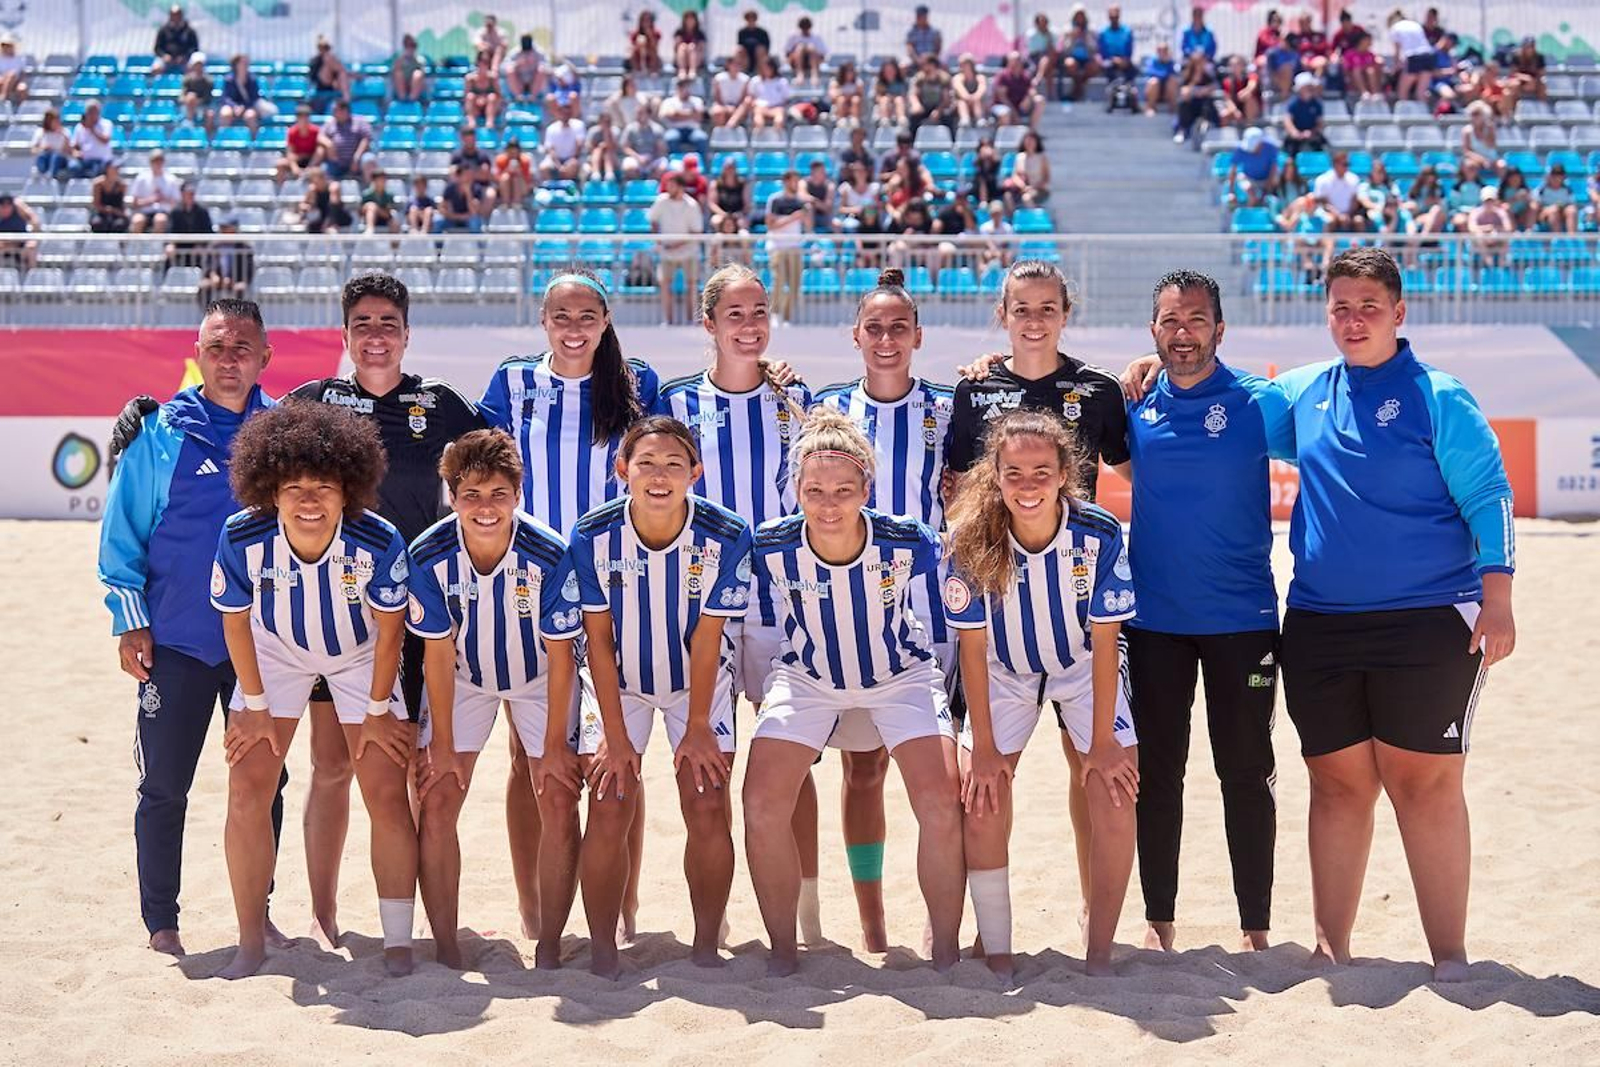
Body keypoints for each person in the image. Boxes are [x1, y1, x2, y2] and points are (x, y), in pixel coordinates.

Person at [1275, 248, 1515, 981]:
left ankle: (1450, 955)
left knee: (1425, 784)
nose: (1352, 320)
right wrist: (1147, 372)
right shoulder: (1303, 392)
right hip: (1319, 622)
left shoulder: (1439, 395)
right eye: (1340, 307)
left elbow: (1489, 496)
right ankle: (1331, 948)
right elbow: (1213, 395)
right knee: (1337, 786)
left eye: (1368, 306)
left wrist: (1498, 596)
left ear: (1399, 313)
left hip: (1427, 622)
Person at [98, 300, 289, 960]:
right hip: (176, 643)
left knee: (267, 784)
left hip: (262, 651)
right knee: (164, 786)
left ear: (265, 356)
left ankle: (256, 911)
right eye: (217, 345)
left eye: (243, 345)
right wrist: (130, 624)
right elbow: (122, 537)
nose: (229, 356)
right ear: (197, 354)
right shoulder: (160, 434)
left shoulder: (285, 433)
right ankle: (162, 923)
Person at [743, 408, 963, 977]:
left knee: (941, 802)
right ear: (796, 490)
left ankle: (943, 952)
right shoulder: (770, 544)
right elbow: (753, 619)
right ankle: (785, 952)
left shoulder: (906, 540)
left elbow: (956, 594)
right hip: (808, 678)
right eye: (814, 490)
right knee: (761, 803)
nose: (828, 503)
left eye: (844, 489)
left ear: (866, 488)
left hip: (901, 676)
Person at [479, 271, 661, 947]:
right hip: (531, 588)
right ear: (544, 320)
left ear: (607, 318)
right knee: (527, 753)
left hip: (622, 587)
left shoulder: (638, 382)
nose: (575, 325)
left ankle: (624, 901)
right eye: (562, 314)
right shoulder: (511, 383)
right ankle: (534, 902)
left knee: (622, 752)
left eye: (587, 313)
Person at [209, 400, 411, 980]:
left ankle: (397, 941)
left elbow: (391, 630)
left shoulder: (378, 540)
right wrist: (253, 706)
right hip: (275, 651)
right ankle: (251, 941)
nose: (307, 499)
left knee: (384, 791)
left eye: (322, 485)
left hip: (360, 654)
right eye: (293, 486)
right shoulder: (241, 535)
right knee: (247, 788)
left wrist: (376, 712)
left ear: (348, 490)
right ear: (270, 491)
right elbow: (235, 619)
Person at [1119, 272, 1291, 954]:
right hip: (1154, 619)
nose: (1183, 331)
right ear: (1153, 331)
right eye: (1170, 320)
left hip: (1243, 619)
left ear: (1221, 328)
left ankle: (1256, 928)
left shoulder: (1260, 402)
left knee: (1245, 771)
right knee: (1159, 773)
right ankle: (1159, 920)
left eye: (1196, 319)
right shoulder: (1132, 400)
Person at [657, 266, 822, 940]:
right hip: (706, 610)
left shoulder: (796, 396)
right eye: (735, 313)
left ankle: (807, 914)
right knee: (710, 768)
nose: (749, 324)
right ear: (709, 324)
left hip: (784, 602)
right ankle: (716, 915)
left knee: (792, 763)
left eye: (759, 310)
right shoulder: (676, 404)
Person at [945, 409, 1139, 979]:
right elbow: (973, 652)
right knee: (980, 798)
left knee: (1116, 790)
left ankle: (1100, 953)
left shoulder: (1099, 532)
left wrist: (1101, 744)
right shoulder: (969, 537)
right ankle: (998, 950)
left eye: (1040, 472)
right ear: (995, 475)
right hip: (1004, 671)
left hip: (1080, 665)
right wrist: (982, 746)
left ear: (1063, 474)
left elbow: (1106, 645)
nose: (1027, 485)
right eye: (1014, 473)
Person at [571, 417, 752, 976]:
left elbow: (709, 636)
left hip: (696, 681)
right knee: (608, 801)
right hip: (617, 681)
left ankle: (704, 946)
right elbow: (597, 641)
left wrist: (699, 725)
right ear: (622, 470)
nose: (659, 474)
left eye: (674, 464)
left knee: (705, 801)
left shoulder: (727, 533)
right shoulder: (591, 534)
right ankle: (603, 948)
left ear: (694, 473)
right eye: (646, 462)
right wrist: (617, 736)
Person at [812, 269, 956, 953]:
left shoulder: (954, 407)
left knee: (944, 773)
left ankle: (940, 916)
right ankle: (871, 919)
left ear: (918, 335)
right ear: (856, 336)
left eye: (900, 326)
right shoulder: (825, 408)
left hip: (935, 617)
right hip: (851, 615)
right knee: (862, 769)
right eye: (875, 327)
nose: (888, 338)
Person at [408, 430, 583, 971]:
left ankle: (550, 943)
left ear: (518, 495)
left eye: (499, 495)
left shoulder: (549, 553)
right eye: (472, 496)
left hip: (538, 676)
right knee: (437, 797)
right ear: (452, 496)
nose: (486, 508)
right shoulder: (428, 554)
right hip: (463, 677)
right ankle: (445, 947)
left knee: (556, 794)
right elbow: (435, 655)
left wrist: (554, 746)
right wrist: (438, 742)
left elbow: (560, 659)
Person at [650, 173, 706, 326]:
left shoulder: (692, 205)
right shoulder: (661, 201)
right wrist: (659, 239)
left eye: (672, 185)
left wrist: (676, 245)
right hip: (667, 253)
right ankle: (667, 320)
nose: (668, 188)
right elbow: (653, 220)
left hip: (689, 252)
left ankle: (691, 320)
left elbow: (696, 231)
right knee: (665, 284)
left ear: (680, 187)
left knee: (691, 285)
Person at [763, 171, 808, 325]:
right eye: (793, 181)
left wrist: (808, 214)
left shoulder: (800, 202)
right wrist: (793, 218)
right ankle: (775, 314)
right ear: (786, 182)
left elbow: (808, 226)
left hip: (794, 247)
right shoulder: (775, 200)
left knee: (795, 283)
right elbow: (771, 225)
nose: (796, 184)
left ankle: (787, 317)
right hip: (778, 246)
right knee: (779, 281)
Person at [319, 99, 374, 186]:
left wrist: (357, 157)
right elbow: (320, 137)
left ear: (345, 111)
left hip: (357, 160)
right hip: (337, 162)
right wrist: (329, 144)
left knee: (369, 160)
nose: (333, 113)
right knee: (322, 170)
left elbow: (366, 139)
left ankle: (371, 193)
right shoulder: (330, 123)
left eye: (335, 110)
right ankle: (330, 193)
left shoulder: (359, 121)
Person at [200, 213, 254, 302]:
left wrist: (234, 281)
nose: (223, 231)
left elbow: (248, 270)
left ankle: (237, 315)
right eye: (222, 228)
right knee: (204, 286)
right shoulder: (214, 246)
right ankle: (208, 314)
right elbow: (207, 265)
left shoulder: (245, 248)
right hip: (218, 282)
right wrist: (212, 275)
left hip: (235, 281)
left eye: (226, 228)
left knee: (240, 289)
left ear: (234, 230)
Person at [220, 54, 275, 137]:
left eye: (246, 63)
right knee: (225, 113)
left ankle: (254, 140)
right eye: (242, 63)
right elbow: (226, 97)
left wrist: (243, 107)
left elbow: (254, 98)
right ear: (236, 65)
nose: (245, 65)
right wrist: (235, 107)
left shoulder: (252, 79)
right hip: (232, 107)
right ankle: (225, 138)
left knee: (251, 116)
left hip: (248, 107)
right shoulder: (229, 79)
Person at [130, 150, 182, 236]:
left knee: (160, 220)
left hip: (163, 212)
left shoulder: (171, 179)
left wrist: (163, 198)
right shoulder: (141, 178)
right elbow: (135, 203)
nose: (158, 164)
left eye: (160, 161)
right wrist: (150, 200)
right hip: (144, 212)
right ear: (150, 162)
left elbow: (176, 203)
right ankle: (136, 248)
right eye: (155, 161)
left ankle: (155, 248)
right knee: (137, 220)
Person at [1389, 9, 1435, 104]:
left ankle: (1403, 115)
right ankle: (1424, 115)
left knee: (1402, 91)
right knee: (1421, 93)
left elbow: (1397, 52)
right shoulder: (1415, 24)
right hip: (1429, 55)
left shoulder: (1395, 28)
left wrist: (1395, 67)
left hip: (1414, 57)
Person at [1227, 127, 1280, 207]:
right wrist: (1231, 192)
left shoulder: (1271, 148)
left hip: (1267, 178)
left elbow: (1273, 169)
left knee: (1275, 179)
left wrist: (1267, 189)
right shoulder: (1240, 149)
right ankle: (1250, 215)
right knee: (1250, 194)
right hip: (1248, 177)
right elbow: (1233, 170)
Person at [660, 77, 710, 159]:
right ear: (677, 88)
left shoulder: (697, 101)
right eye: (682, 86)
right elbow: (669, 115)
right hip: (675, 129)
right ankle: (676, 165)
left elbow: (699, 117)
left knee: (702, 138)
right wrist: (691, 114)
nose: (685, 89)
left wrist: (678, 114)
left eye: (686, 87)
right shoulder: (669, 101)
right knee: (670, 138)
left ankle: (703, 167)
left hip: (693, 130)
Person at [274, 104, 323, 186]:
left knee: (321, 151)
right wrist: (294, 167)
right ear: (297, 118)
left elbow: (319, 150)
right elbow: (290, 152)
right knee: (280, 164)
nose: (304, 120)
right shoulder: (292, 132)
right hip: (297, 160)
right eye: (301, 117)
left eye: (306, 117)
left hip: (312, 161)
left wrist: (310, 166)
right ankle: (279, 192)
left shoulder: (316, 131)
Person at [620, 99, 668, 182]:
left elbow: (662, 150)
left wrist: (650, 158)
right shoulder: (630, 129)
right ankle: (638, 185)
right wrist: (638, 157)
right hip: (636, 157)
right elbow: (625, 147)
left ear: (648, 115)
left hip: (653, 157)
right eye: (637, 113)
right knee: (628, 167)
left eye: (641, 113)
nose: (638, 116)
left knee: (662, 167)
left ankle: (650, 186)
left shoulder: (657, 129)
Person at [539, 100, 586, 183]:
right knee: (544, 167)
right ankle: (550, 190)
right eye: (563, 113)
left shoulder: (579, 125)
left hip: (572, 158)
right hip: (555, 159)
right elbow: (550, 150)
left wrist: (571, 160)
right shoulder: (551, 128)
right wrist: (558, 165)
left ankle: (567, 191)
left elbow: (579, 145)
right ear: (558, 113)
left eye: (567, 113)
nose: (565, 115)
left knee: (573, 166)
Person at [1060, 6, 1100, 102]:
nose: (1080, 18)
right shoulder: (1067, 29)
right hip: (1072, 57)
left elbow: (1095, 49)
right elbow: (1064, 49)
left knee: (1095, 66)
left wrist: (1086, 39)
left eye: (1082, 15)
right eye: (1078, 15)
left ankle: (1076, 90)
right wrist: (1073, 38)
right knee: (1070, 64)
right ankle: (1079, 90)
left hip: (1087, 58)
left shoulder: (1091, 30)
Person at [993, 52, 1043, 129]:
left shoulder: (1025, 76)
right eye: (1013, 61)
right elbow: (1003, 98)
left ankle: (1032, 132)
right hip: (1003, 106)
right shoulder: (1003, 76)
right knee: (1005, 113)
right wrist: (1014, 113)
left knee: (1040, 100)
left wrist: (1028, 98)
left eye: (1018, 60)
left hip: (1020, 106)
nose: (1016, 63)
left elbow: (1032, 90)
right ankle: (1006, 137)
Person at [1002, 130, 1050, 208]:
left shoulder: (1042, 158)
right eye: (1027, 141)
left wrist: (1033, 187)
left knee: (1026, 198)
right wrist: (1023, 186)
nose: (1029, 143)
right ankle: (1014, 218)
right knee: (1007, 197)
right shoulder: (1019, 157)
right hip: (1021, 189)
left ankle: (1031, 218)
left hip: (1038, 189)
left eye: (1032, 141)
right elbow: (1015, 176)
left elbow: (1046, 178)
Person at [69, 100, 115, 180]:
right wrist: (76, 153)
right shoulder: (79, 127)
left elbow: (105, 140)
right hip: (84, 160)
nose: (92, 115)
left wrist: (92, 129)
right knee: (73, 167)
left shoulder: (106, 124)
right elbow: (74, 146)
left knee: (96, 171)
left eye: (94, 112)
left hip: (101, 160)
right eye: (90, 112)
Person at [908, 53, 953, 135]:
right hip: (924, 107)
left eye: (925, 64)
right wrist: (916, 104)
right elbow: (913, 94)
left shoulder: (944, 79)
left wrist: (938, 110)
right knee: (913, 117)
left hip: (939, 107)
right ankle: (910, 142)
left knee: (948, 117)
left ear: (932, 65)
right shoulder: (920, 78)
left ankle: (953, 142)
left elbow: (946, 100)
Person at [298, 166, 352, 235]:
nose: (311, 182)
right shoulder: (312, 190)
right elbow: (302, 205)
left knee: (330, 228)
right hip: (321, 219)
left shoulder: (333, 187)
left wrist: (328, 223)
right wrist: (308, 206)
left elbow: (334, 206)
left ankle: (331, 225)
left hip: (337, 219)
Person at [1282, 71, 1325, 156]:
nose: (1311, 89)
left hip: (1312, 134)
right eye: (1308, 86)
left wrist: (1312, 132)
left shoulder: (1317, 103)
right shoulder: (1293, 103)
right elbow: (1288, 120)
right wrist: (1295, 132)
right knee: (1289, 153)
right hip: (1296, 134)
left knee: (1322, 150)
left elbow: (1320, 123)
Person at [749, 56, 794, 131]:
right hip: (760, 108)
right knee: (758, 119)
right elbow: (751, 96)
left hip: (777, 108)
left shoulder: (782, 81)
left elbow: (786, 99)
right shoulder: (755, 81)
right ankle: (758, 140)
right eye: (764, 68)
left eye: (768, 68)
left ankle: (777, 140)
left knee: (779, 120)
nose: (766, 70)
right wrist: (755, 104)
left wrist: (780, 107)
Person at [308, 36, 352, 111]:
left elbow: (341, 73)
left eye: (326, 47)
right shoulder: (316, 61)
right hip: (320, 93)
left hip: (330, 93)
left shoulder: (331, 59)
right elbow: (321, 80)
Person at [153, 5, 199, 75]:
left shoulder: (189, 31)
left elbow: (194, 47)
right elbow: (157, 48)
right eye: (173, 15)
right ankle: (159, 85)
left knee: (192, 68)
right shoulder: (163, 30)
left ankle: (188, 84)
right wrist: (164, 56)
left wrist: (185, 56)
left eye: (177, 15)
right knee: (156, 68)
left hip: (184, 59)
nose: (175, 18)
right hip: (167, 59)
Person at [711, 54, 753, 128]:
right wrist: (726, 108)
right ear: (728, 65)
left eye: (738, 64)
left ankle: (731, 124)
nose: (736, 67)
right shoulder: (718, 78)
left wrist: (734, 108)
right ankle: (721, 134)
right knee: (717, 112)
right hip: (723, 106)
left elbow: (744, 99)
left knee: (747, 101)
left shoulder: (745, 79)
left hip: (739, 108)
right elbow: (717, 98)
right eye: (734, 64)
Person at [464, 50, 503, 129]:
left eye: (486, 62)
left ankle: (490, 122)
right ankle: (471, 122)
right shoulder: (470, 79)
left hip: (491, 106)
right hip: (476, 107)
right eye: (482, 61)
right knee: (470, 96)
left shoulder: (493, 78)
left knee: (492, 97)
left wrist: (485, 99)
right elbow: (466, 97)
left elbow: (499, 96)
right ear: (478, 62)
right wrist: (478, 99)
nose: (484, 65)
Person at [0, 193, 40, 271]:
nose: (6, 209)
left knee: (31, 247)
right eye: (3, 207)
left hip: (21, 242)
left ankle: (32, 276)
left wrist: (32, 238)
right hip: (3, 244)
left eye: (8, 206)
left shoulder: (19, 207)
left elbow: (35, 221)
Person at [1097, 5, 1135, 86]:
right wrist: (1114, 59)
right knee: (1107, 67)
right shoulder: (1103, 32)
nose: (1114, 18)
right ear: (1109, 17)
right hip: (1109, 60)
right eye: (1112, 16)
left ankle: (1128, 88)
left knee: (1133, 69)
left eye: (1116, 16)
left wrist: (1125, 60)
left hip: (1123, 60)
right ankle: (1112, 88)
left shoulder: (1127, 31)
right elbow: (1102, 51)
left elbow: (1129, 49)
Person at [785, 17, 827, 86]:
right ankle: (799, 73)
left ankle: (814, 74)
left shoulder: (816, 37)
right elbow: (787, 53)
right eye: (803, 27)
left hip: (813, 61)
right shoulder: (793, 36)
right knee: (800, 47)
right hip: (796, 62)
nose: (805, 30)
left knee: (811, 47)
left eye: (806, 27)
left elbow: (822, 54)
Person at [91, 161, 131, 234]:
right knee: (97, 224)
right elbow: (96, 204)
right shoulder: (98, 184)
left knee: (119, 225)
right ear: (107, 169)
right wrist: (110, 210)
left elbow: (121, 204)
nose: (116, 170)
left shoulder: (122, 185)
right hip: (101, 213)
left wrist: (118, 212)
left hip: (117, 215)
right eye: (114, 167)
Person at [31, 108, 71, 180]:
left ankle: (50, 175)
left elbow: (68, 151)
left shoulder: (65, 132)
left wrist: (63, 136)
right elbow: (33, 150)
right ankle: (42, 174)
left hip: (61, 159)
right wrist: (42, 148)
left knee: (55, 156)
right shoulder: (40, 132)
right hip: (45, 157)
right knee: (41, 156)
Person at [180, 53, 215, 133]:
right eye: (196, 65)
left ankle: (206, 138)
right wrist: (191, 101)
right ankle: (189, 120)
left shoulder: (208, 80)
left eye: (200, 65)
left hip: (203, 107)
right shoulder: (187, 79)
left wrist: (197, 101)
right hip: (188, 107)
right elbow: (182, 96)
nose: (198, 67)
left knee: (210, 115)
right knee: (191, 96)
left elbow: (207, 98)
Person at [505, 35, 543, 106]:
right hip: (519, 81)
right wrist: (517, 64)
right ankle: (519, 98)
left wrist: (535, 63)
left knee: (541, 69)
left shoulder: (538, 52)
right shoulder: (515, 53)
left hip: (533, 81)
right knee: (510, 70)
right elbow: (503, 67)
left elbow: (548, 66)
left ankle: (533, 97)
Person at [1142, 43, 1179, 116]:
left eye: (1164, 50)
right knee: (1154, 81)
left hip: (1166, 88)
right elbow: (1150, 72)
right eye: (1160, 50)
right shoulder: (1152, 61)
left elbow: (1173, 73)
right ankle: (1150, 108)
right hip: (1154, 87)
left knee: (1172, 81)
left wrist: (1167, 63)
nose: (1162, 52)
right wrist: (1163, 74)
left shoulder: (1170, 62)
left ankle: (1173, 108)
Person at [952, 55, 988, 128]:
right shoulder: (958, 78)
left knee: (977, 101)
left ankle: (980, 119)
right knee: (961, 102)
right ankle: (965, 120)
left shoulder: (980, 77)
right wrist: (968, 97)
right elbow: (960, 90)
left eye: (964, 64)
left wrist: (975, 97)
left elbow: (981, 89)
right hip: (961, 105)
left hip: (977, 103)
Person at [391, 34, 429, 103]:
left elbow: (422, 73)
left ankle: (412, 97)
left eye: (413, 46)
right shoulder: (399, 60)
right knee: (398, 74)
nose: (411, 48)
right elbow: (394, 72)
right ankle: (402, 96)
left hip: (416, 87)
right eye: (408, 46)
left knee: (417, 74)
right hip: (403, 85)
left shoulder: (420, 60)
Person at [873, 59, 909, 127]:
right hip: (883, 106)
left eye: (891, 70)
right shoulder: (879, 83)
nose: (889, 72)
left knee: (899, 99)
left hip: (898, 106)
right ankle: (884, 120)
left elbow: (904, 97)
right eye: (887, 70)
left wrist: (893, 98)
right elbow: (877, 98)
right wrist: (888, 99)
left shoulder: (902, 82)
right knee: (884, 99)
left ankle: (902, 120)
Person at [674, 11, 708, 79]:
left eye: (692, 19)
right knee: (682, 47)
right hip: (682, 57)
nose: (690, 21)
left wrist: (691, 47)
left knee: (692, 47)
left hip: (696, 58)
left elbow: (702, 48)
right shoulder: (679, 32)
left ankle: (693, 70)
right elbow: (676, 47)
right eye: (688, 19)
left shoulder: (700, 34)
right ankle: (682, 70)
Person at [628, 11, 663, 75]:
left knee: (650, 49)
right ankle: (638, 70)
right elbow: (633, 48)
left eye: (648, 20)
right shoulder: (635, 34)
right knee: (640, 41)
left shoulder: (656, 33)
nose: (646, 22)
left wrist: (649, 35)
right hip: (638, 59)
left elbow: (655, 47)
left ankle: (652, 70)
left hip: (651, 59)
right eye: (644, 20)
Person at [0, 31, 26, 107]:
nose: (6, 48)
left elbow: (22, 74)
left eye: (8, 45)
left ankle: (20, 110)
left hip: (16, 81)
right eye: (4, 45)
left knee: (21, 88)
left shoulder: (19, 59)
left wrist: (22, 82)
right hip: (2, 80)